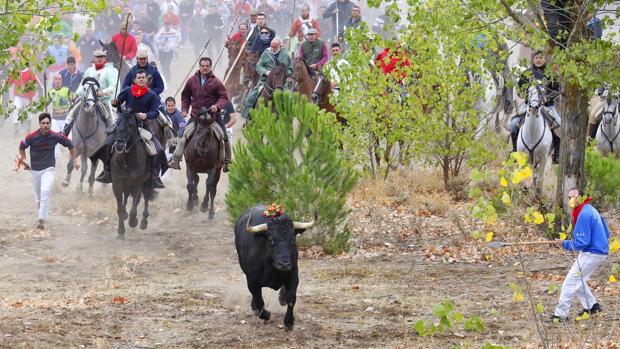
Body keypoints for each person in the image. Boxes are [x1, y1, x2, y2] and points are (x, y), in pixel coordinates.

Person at [93, 70, 166, 188]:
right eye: (139, 77)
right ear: (134, 80)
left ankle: (154, 176)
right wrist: (114, 103)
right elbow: (117, 102)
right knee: (108, 142)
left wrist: (146, 115)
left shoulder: (152, 95)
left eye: (143, 77)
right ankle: (106, 170)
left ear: (146, 80)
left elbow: (156, 112)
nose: (141, 79)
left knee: (158, 149)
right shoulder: (127, 91)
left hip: (142, 125)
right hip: (125, 123)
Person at [550, 188, 610, 322]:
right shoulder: (590, 209)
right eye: (569, 197)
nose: (572, 199)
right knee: (578, 279)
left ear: (581, 198)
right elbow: (607, 231)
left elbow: (581, 243)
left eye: (574, 197)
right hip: (596, 250)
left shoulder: (583, 214)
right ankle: (592, 306)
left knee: (570, 282)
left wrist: (564, 243)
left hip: (593, 253)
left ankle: (560, 315)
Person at [168, 57, 231, 172]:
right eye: (203, 65)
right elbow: (185, 96)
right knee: (184, 135)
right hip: (196, 116)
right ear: (199, 66)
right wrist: (185, 109)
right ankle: (175, 159)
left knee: (224, 136)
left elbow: (223, 97)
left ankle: (227, 162)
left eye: (207, 66)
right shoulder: (191, 80)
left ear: (210, 67)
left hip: (213, 117)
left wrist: (217, 106)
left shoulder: (216, 82)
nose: (205, 67)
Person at [18, 113, 80, 230]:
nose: (46, 125)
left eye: (47, 123)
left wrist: (75, 160)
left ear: (50, 124)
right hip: (35, 171)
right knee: (39, 199)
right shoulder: (32, 136)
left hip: (49, 169)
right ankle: (43, 215)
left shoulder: (55, 136)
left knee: (45, 191)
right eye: (43, 123)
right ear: (39, 124)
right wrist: (24, 160)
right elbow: (22, 146)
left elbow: (70, 144)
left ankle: (41, 221)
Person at [512, 50, 561, 163]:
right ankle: (515, 152)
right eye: (536, 57)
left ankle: (557, 154)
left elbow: (557, 90)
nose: (538, 60)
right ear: (533, 59)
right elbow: (519, 90)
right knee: (513, 124)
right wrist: (526, 96)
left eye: (541, 57)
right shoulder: (527, 73)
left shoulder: (551, 74)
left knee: (559, 124)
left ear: (545, 59)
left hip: (547, 106)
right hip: (529, 106)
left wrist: (546, 98)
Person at [63, 48, 117, 135]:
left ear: (105, 58)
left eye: (101, 57)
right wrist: (76, 94)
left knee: (110, 115)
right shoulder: (89, 70)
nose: (99, 58)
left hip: (103, 100)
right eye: (97, 57)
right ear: (94, 58)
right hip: (88, 98)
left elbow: (113, 86)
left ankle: (112, 134)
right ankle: (65, 130)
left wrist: (102, 92)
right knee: (73, 110)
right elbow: (82, 85)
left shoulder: (109, 71)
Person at [242, 37, 292, 119]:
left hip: (280, 82)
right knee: (250, 99)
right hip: (265, 81)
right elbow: (258, 66)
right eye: (271, 46)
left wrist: (283, 73)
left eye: (275, 47)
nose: (273, 48)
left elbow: (290, 69)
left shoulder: (286, 55)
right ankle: (247, 120)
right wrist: (266, 72)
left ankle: (288, 121)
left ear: (280, 46)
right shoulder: (266, 53)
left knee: (290, 98)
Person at [47, 74, 73, 156]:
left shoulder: (67, 90)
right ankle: (57, 157)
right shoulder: (51, 92)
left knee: (69, 139)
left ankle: (71, 156)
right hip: (55, 119)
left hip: (66, 120)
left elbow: (73, 100)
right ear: (53, 81)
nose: (57, 81)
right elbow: (45, 103)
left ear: (61, 81)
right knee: (55, 138)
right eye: (56, 79)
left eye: (59, 79)